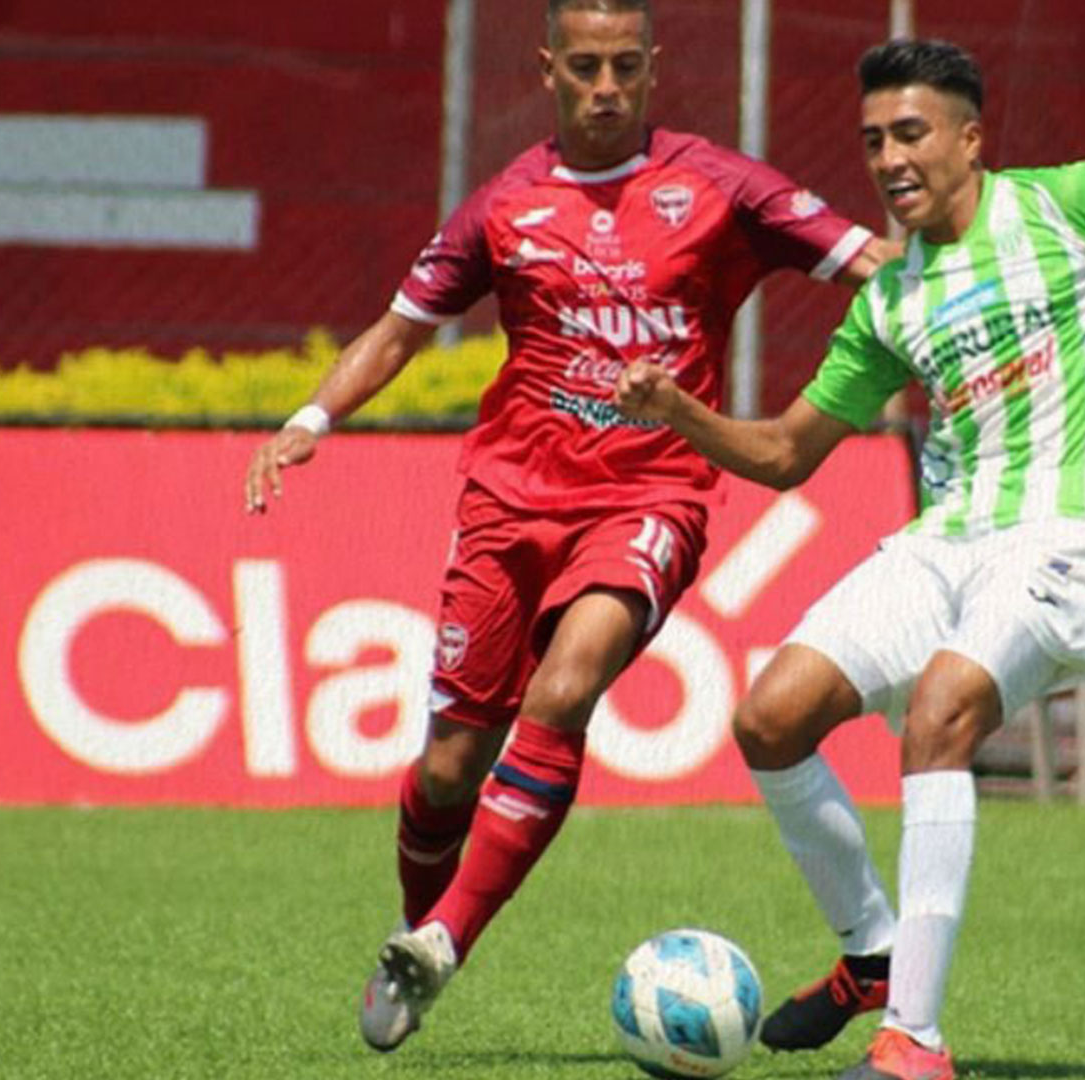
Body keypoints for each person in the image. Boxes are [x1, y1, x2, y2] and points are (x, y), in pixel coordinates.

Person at [613, 38, 1085, 1080]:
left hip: (1065, 539)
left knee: (941, 709)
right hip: (943, 542)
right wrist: (680, 411)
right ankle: (870, 949)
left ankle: (913, 1036)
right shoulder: (889, 300)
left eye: (910, 133)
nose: (890, 159)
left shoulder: (1072, 202)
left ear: (969, 136)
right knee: (768, 720)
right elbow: (784, 455)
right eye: (872, 142)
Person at [241, 0, 893, 1052]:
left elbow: (878, 268)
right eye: (584, 66)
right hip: (508, 500)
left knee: (567, 685)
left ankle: (448, 939)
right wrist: (312, 418)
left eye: (625, 66)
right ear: (546, 68)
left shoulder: (725, 187)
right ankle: (418, 933)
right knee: (450, 767)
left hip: (650, 496)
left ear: (654, 68)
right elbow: (402, 328)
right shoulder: (507, 205)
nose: (606, 86)